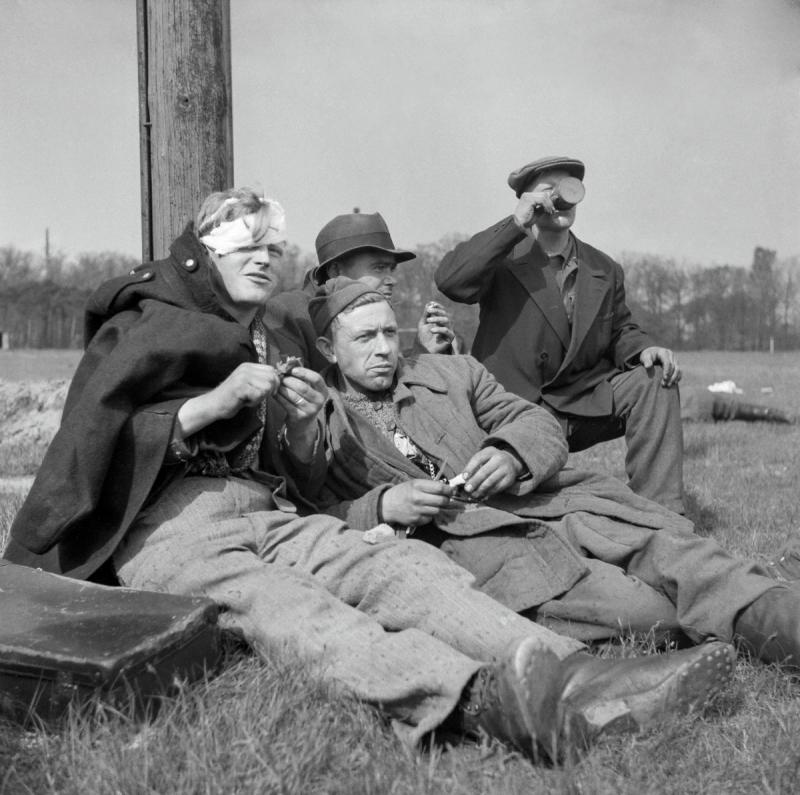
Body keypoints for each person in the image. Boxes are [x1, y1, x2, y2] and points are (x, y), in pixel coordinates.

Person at [1, 187, 731, 763]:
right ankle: (481, 699)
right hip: (167, 530)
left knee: (403, 567)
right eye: (244, 244)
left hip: (264, 510)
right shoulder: (147, 320)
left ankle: (571, 678)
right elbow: (89, 437)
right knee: (292, 609)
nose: (263, 257)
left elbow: (292, 464)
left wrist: (293, 416)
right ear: (203, 251)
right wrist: (201, 409)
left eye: (271, 246)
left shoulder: (247, 327)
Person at [308, 277, 800, 673]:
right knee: (649, 613)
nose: (384, 350)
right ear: (329, 350)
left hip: (554, 504)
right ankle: (735, 608)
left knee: (678, 553)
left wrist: (511, 454)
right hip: (484, 553)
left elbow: (536, 422)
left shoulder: (451, 372)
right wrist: (383, 507)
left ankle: (781, 619)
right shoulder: (317, 417)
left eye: (390, 333)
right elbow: (306, 521)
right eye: (364, 338)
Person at [435, 156, 684, 514]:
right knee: (510, 506)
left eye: (568, 187)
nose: (561, 198)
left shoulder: (603, 267)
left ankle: (662, 516)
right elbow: (451, 281)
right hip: (514, 407)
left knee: (654, 380)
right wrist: (514, 224)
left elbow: (620, 330)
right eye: (548, 190)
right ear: (525, 200)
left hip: (579, 402)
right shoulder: (501, 256)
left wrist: (645, 348)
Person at [265, 211, 454, 371]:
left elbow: (389, 393)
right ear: (335, 271)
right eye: (379, 268)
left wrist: (424, 351)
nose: (391, 280)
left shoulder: (378, 311)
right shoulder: (289, 313)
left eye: (391, 269)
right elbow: (293, 397)